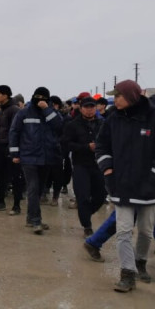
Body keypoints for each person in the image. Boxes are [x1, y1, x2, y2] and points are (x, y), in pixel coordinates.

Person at [95, 80, 155, 292]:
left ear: (131, 96)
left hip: (150, 188)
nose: (115, 99)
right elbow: (101, 146)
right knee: (124, 231)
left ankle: (140, 262)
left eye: (118, 95)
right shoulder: (113, 119)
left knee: (146, 232)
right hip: (121, 185)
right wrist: (108, 170)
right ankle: (127, 274)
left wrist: (154, 181)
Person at [9, 87, 63, 234]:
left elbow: (59, 126)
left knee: (39, 189)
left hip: (47, 157)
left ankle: (30, 217)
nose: (40, 100)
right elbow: (14, 132)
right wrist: (14, 153)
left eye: (43, 97)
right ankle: (35, 221)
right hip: (29, 156)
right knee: (33, 187)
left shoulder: (52, 112)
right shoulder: (24, 113)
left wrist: (46, 110)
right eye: (37, 96)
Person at [62, 96, 106, 235]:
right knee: (83, 196)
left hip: (99, 165)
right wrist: (86, 147)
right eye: (86, 107)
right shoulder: (73, 125)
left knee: (101, 195)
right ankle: (87, 225)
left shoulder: (103, 123)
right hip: (81, 164)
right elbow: (66, 144)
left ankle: (86, 212)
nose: (89, 110)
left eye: (92, 107)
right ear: (81, 109)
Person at [0, 85, 22, 213]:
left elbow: (15, 130)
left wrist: (12, 148)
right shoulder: (1, 109)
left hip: (11, 147)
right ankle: (1, 201)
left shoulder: (14, 110)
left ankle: (16, 205)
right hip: (0, 145)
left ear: (5, 95)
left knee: (15, 176)